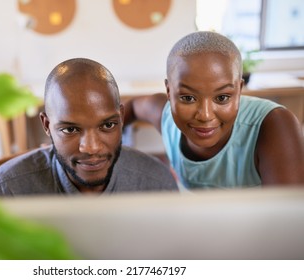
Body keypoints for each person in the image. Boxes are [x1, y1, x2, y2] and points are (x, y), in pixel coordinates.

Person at [124, 31, 304, 190]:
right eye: (188, 98)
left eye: (222, 98)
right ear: (169, 91)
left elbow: (285, 221)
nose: (205, 115)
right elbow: (131, 107)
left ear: (239, 90)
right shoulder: (164, 115)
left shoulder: (275, 125)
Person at [0, 58, 178, 199]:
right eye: (70, 130)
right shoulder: (5, 192)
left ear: (121, 118)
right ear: (47, 125)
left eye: (107, 125)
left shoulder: (156, 184)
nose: (91, 148)